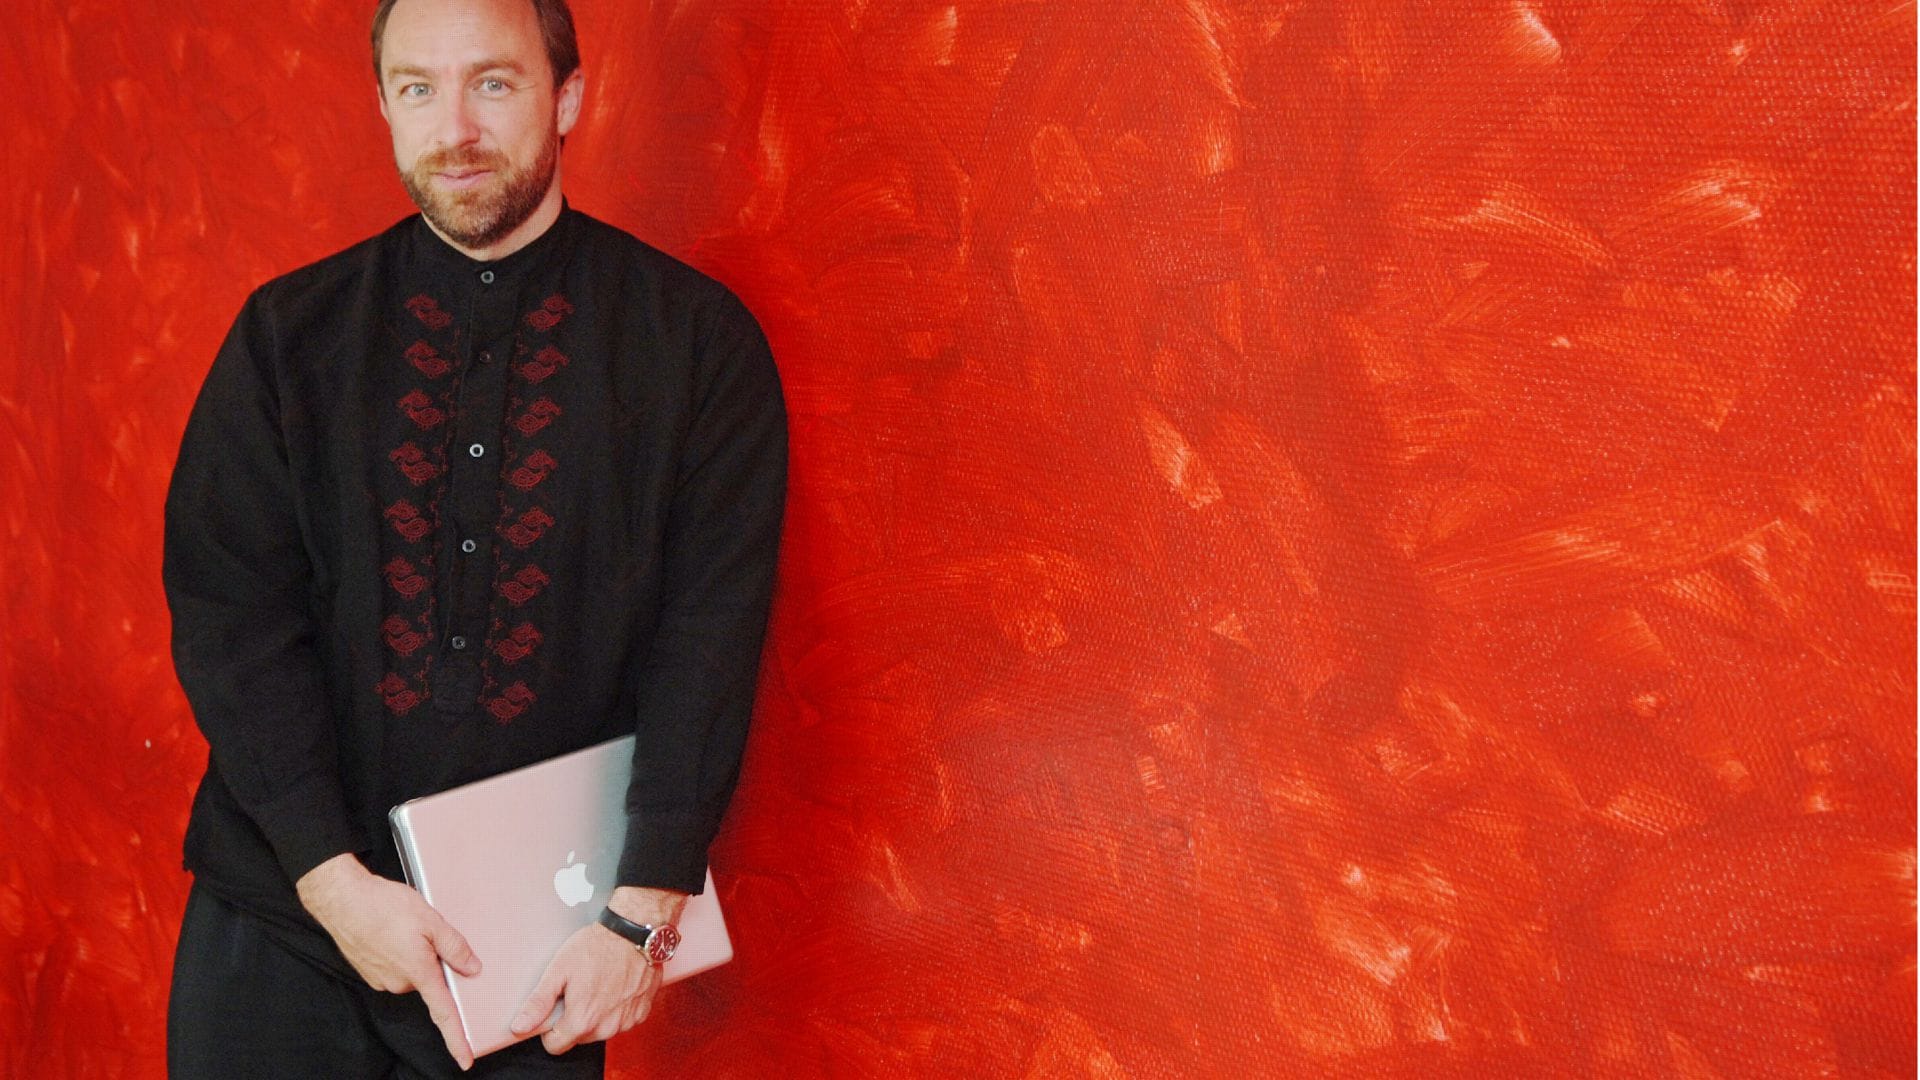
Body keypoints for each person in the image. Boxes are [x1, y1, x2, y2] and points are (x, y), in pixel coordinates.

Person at [160, 0, 787, 1074]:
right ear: (384, 106)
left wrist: (640, 922)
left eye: (493, 82)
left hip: (534, 959)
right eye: (419, 88)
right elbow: (231, 616)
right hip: (282, 922)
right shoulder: (287, 336)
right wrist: (334, 887)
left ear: (568, 98)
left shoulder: (696, 345)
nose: (454, 127)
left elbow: (709, 642)